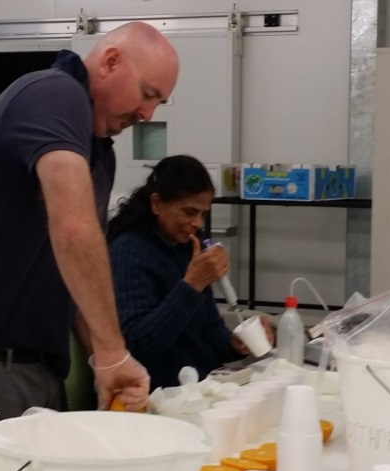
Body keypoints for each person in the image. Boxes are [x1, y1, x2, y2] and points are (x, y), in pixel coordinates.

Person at [0, 22, 179, 419]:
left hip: (30, 370)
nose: (146, 112)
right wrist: (112, 350)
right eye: (147, 94)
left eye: (158, 104)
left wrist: (105, 362)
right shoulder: (54, 94)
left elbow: (79, 268)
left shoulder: (100, 152)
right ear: (110, 62)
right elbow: (73, 227)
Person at [107, 155, 274, 390]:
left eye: (203, 214)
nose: (197, 223)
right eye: (189, 212)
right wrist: (192, 285)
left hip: (202, 383)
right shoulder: (128, 252)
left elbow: (207, 326)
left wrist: (233, 343)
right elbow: (138, 347)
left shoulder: (188, 247)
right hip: (159, 392)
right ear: (157, 204)